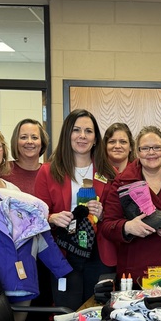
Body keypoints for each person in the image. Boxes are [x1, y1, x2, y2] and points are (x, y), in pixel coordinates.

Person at [34, 109, 113, 310]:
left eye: (88, 131)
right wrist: (52, 217)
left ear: (96, 138)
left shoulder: (108, 173)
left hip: (98, 253)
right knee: (67, 312)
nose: (82, 136)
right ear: (67, 134)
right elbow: (35, 216)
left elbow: (116, 217)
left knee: (96, 312)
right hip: (64, 250)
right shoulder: (48, 171)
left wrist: (103, 214)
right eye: (76, 130)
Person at [100, 125, 161, 283]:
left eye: (157, 147)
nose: (151, 153)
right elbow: (107, 226)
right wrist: (128, 227)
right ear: (137, 152)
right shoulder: (122, 181)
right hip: (135, 269)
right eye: (145, 148)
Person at [8, 118, 49, 195]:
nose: (29, 142)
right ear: (16, 142)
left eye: (34, 137)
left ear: (42, 142)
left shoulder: (50, 173)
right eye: (24, 137)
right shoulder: (2, 170)